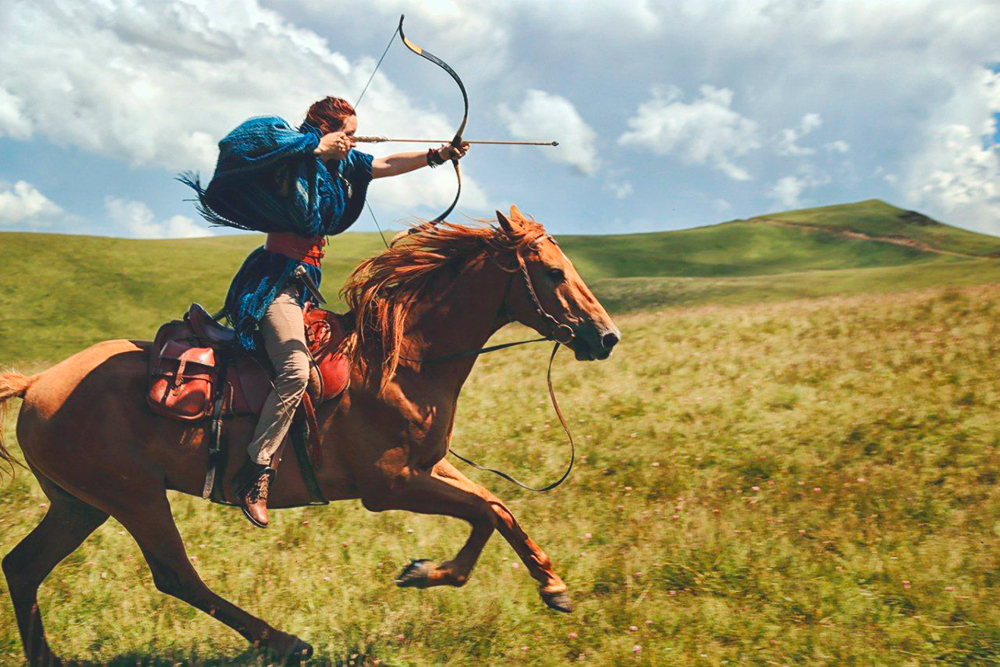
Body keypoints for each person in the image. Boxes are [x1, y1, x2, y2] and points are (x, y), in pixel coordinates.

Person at [184, 96, 469, 527]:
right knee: (295, 369)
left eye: (355, 135)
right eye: (348, 134)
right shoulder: (286, 149)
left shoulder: (343, 164)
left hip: (303, 290)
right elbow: (236, 147)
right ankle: (255, 474)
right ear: (324, 129)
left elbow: (386, 164)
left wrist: (438, 155)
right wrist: (315, 148)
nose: (353, 142)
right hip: (273, 285)